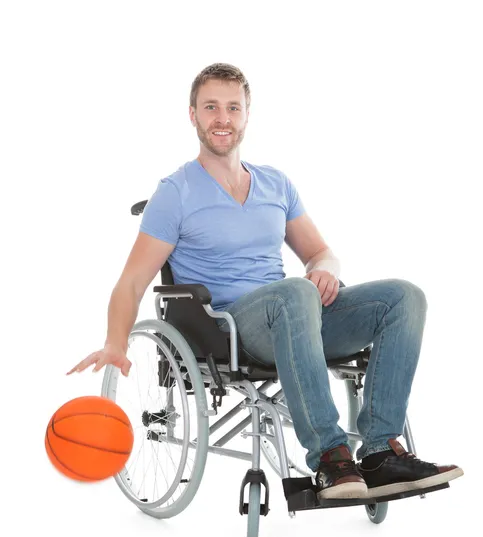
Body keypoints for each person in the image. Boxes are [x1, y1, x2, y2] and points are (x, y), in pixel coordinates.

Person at [67, 63, 463, 501]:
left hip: (297, 317)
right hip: (228, 327)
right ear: (193, 115)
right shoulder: (175, 193)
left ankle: (378, 453)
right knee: (295, 292)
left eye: (232, 107)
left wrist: (325, 268)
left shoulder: (276, 183)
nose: (222, 118)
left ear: (246, 115)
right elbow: (132, 281)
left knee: (404, 297)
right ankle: (331, 457)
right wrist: (115, 342)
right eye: (211, 107)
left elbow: (320, 252)